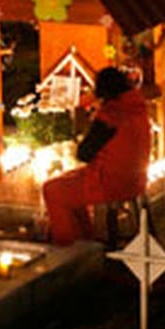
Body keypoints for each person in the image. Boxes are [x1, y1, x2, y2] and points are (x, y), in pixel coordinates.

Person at [42, 68, 151, 246]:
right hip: (136, 179)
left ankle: (67, 247)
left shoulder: (112, 114)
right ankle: (85, 242)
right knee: (67, 181)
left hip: (109, 182)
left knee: (52, 190)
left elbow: (84, 153)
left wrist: (89, 123)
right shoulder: (137, 106)